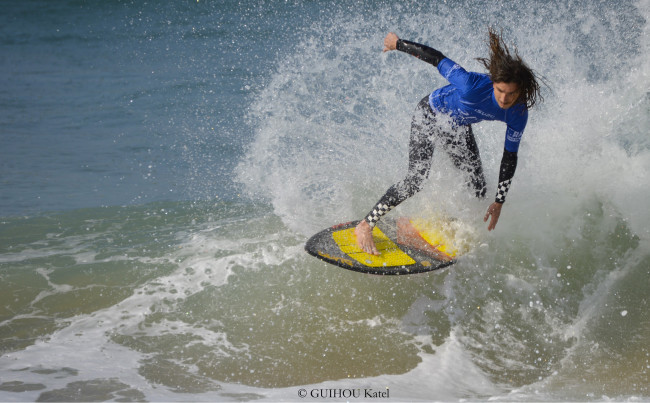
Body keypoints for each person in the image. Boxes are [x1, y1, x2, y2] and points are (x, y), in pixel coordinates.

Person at [355, 29, 543, 255]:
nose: (504, 99)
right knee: (416, 179)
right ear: (493, 83)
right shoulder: (471, 84)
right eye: (500, 91)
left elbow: (510, 156)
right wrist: (398, 44)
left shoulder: (518, 112)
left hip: (457, 126)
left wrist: (499, 202)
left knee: (478, 187)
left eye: (511, 94)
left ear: (520, 91)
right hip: (430, 114)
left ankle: (446, 221)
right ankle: (366, 224)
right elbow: (436, 58)